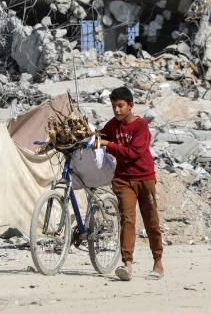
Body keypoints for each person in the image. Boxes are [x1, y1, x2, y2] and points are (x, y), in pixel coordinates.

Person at [93, 87, 164, 281]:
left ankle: (158, 261)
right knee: (127, 220)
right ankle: (127, 263)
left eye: (120, 106)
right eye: (114, 106)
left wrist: (108, 145)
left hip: (144, 178)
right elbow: (102, 136)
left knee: (151, 220)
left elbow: (133, 153)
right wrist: (94, 139)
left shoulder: (141, 126)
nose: (116, 110)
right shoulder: (113, 125)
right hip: (123, 180)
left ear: (130, 106)